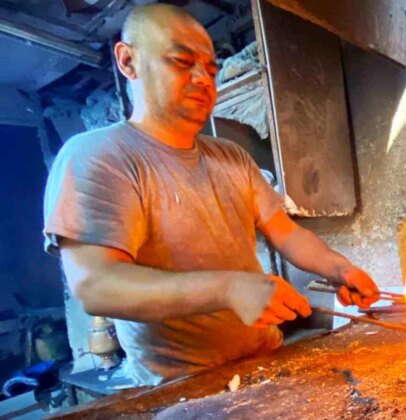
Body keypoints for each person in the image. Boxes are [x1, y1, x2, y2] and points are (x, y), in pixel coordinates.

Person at [43, 3, 379, 385]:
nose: (204, 78)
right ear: (128, 60)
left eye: (212, 68)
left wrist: (341, 270)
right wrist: (229, 288)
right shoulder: (98, 156)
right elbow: (96, 285)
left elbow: (287, 234)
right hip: (181, 385)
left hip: (265, 359)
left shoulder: (231, 157)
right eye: (182, 62)